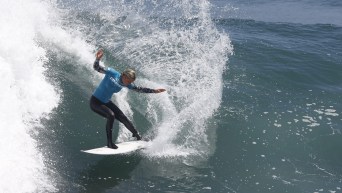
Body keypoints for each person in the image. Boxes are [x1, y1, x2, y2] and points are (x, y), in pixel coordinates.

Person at [90, 49, 166, 149]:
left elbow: (139, 89)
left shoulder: (127, 84)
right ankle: (109, 143)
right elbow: (96, 68)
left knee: (124, 118)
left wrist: (154, 91)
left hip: (106, 102)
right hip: (95, 101)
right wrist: (97, 59)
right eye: (129, 80)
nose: (129, 83)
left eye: (131, 81)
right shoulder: (112, 73)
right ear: (124, 75)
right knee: (111, 115)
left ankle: (138, 136)